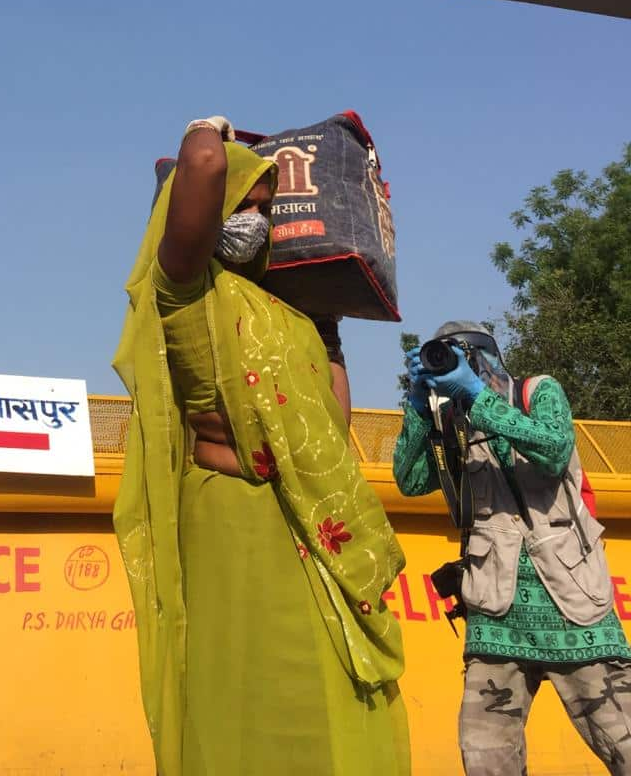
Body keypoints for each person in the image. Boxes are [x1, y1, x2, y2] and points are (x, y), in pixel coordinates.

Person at [113, 116, 409, 776]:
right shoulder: (185, 290)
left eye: (266, 210)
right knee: (241, 691)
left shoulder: (289, 317)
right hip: (230, 519)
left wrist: (328, 332)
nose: (256, 221)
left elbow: (331, 424)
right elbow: (204, 167)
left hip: (305, 524)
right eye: (244, 207)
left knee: (326, 678)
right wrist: (207, 129)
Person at [394, 320, 631, 776]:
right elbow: (410, 480)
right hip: (495, 612)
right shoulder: (452, 424)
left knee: (622, 740)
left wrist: (479, 397)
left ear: (483, 355)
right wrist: (418, 409)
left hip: (575, 605)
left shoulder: (538, 391)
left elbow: (554, 448)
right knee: (486, 759)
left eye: (457, 357)